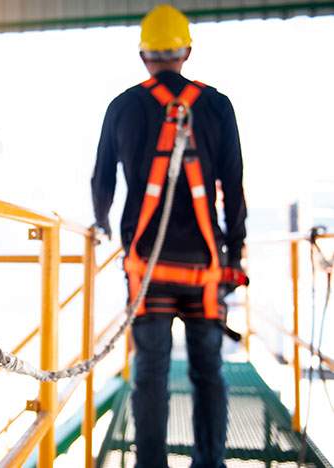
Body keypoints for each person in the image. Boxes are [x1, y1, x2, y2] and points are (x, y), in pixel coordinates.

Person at [91, 4, 247, 468]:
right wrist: (234, 252)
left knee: (150, 375)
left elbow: (102, 181)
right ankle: (209, 463)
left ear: (144, 55)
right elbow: (233, 187)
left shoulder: (122, 106)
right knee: (208, 374)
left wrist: (102, 225)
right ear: (187, 52)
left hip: (147, 269)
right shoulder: (217, 106)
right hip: (204, 268)